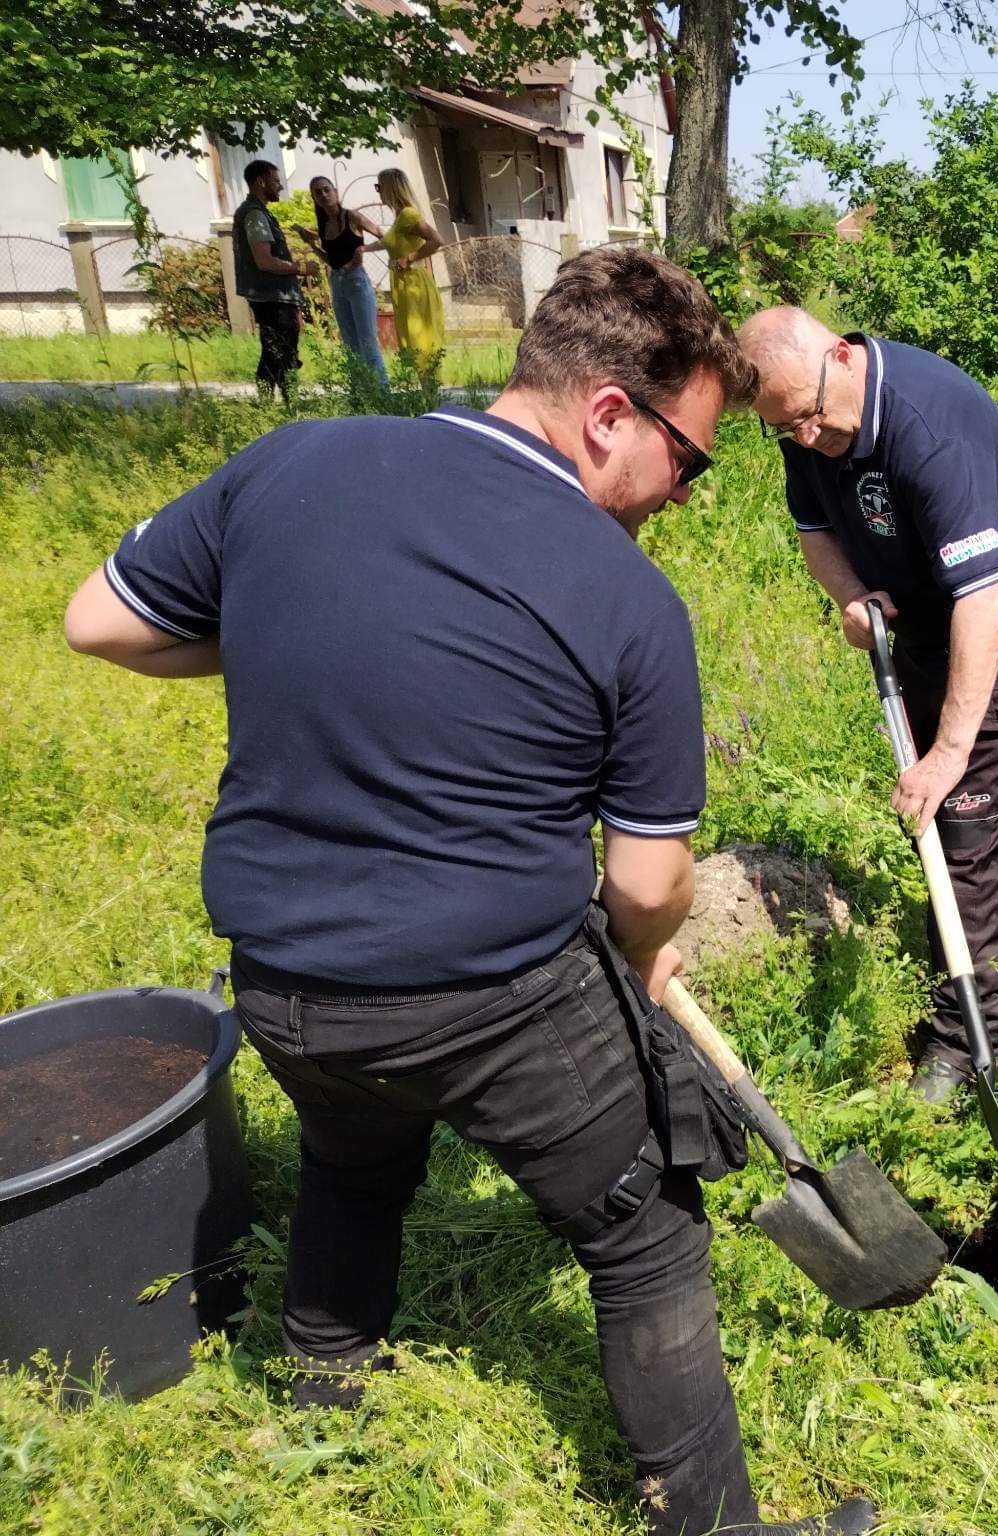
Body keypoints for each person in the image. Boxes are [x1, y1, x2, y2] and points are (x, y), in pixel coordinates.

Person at [62, 247, 874, 1536]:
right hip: (489, 1000)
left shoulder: (293, 463)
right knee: (646, 1232)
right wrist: (647, 948)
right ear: (607, 414)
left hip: (282, 990)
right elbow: (644, 879)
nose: (684, 495)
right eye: (688, 461)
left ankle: (322, 1409)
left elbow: (98, 621)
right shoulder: (625, 598)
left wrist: (304, 629)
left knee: (352, 1159)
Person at [735, 307, 998, 1105]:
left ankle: (966, 1042)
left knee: (969, 841)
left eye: (811, 417)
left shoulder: (930, 429)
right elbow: (815, 527)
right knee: (940, 823)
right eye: (785, 429)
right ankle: (954, 986)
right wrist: (851, 595)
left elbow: (983, 601)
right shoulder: (804, 419)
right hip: (920, 629)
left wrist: (950, 755)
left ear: (842, 356)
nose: (805, 438)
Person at [231, 159, 319, 400]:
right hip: (271, 297)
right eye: (276, 181)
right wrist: (301, 268)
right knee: (279, 351)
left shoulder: (257, 213)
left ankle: (275, 401)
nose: (280, 186)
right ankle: (280, 402)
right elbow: (265, 261)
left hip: (270, 295)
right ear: (260, 182)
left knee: (277, 350)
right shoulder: (255, 215)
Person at [294, 175, 389, 386]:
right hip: (337, 282)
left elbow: (386, 239)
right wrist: (312, 245)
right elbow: (332, 260)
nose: (323, 195)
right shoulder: (324, 225)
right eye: (318, 192)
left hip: (357, 281)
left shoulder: (352, 217)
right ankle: (359, 394)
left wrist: (363, 249)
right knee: (350, 344)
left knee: (367, 343)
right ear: (314, 198)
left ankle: (382, 395)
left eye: (326, 189)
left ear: (335, 192)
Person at [376, 168, 446, 364]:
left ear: (391, 188)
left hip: (414, 283)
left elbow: (437, 240)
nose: (378, 192)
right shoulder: (400, 217)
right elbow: (389, 242)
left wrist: (409, 259)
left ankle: (429, 382)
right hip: (403, 285)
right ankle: (424, 382)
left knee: (420, 341)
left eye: (379, 187)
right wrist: (363, 249)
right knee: (411, 341)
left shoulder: (408, 215)